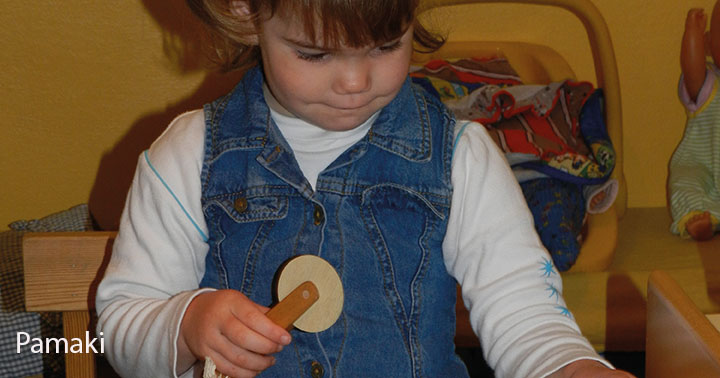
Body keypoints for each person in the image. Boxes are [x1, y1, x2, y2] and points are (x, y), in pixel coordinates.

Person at [95, 1, 634, 377]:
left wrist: (570, 366)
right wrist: (186, 324)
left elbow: (524, 311)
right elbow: (120, 327)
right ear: (245, 9)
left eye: (384, 44)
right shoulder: (189, 155)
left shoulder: (461, 157)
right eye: (314, 53)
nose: (355, 82)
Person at [673, 3, 720, 241]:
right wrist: (692, 33)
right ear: (709, 44)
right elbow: (691, 70)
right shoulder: (709, 85)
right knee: (685, 180)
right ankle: (701, 217)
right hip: (705, 171)